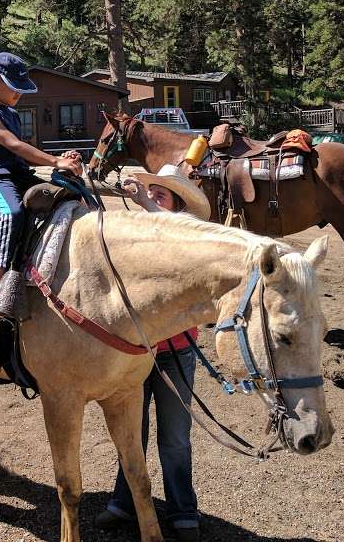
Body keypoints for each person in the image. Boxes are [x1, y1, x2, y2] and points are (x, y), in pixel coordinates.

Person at [96, 164, 211, 542]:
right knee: (131, 432)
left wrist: (145, 201)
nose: (153, 200)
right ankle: (124, 502)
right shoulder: (139, 242)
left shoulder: (186, 240)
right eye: (153, 193)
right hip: (135, 352)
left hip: (175, 351)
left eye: (162, 196)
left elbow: (169, 228)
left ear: (176, 206)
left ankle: (182, 511)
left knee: (175, 437)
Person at [0, 52, 82, 313]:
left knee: (61, 198)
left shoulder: (11, 113)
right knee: (12, 213)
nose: (19, 94)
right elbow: (14, 145)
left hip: (18, 174)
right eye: (15, 88)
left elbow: (22, 154)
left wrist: (60, 160)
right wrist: (55, 162)